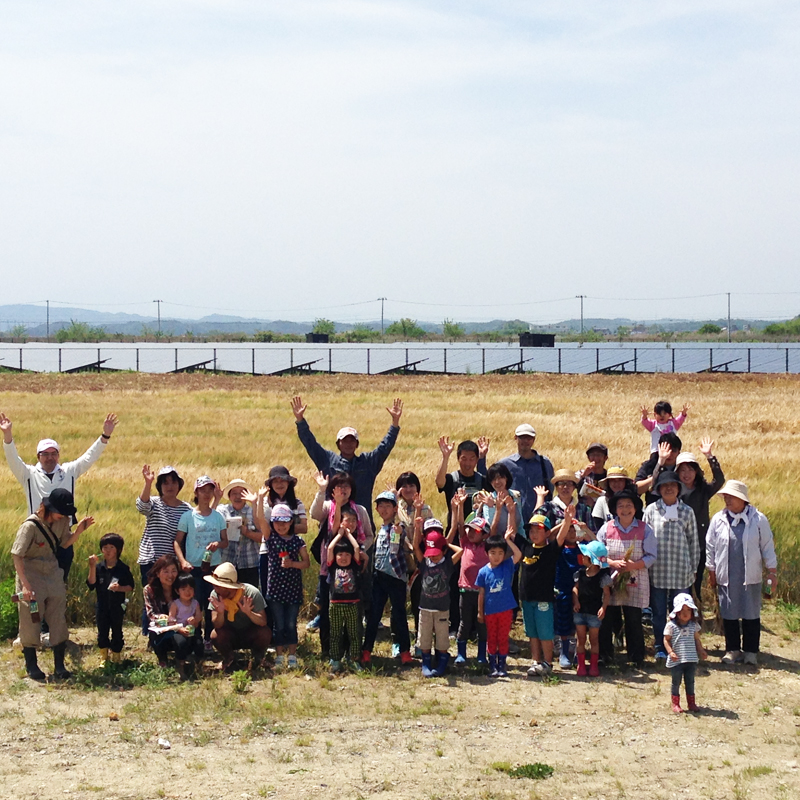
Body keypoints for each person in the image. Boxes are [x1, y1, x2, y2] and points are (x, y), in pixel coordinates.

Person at [1, 411, 117, 583]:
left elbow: (88, 458)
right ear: (38, 456)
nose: (50, 458)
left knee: (59, 586)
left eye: (53, 453)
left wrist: (105, 436)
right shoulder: (28, 474)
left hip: (65, 537)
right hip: (36, 536)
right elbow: (13, 460)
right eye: (45, 454)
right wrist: (7, 435)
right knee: (35, 584)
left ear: (58, 455)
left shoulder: (68, 471)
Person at [12, 488, 94, 680]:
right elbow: (17, 555)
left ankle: (59, 666)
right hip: (30, 573)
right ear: (48, 508)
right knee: (31, 617)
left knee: (58, 617)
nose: (63, 516)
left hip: (52, 571)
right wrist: (25, 585)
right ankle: (32, 665)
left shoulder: (63, 520)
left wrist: (79, 531)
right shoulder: (30, 526)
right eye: (61, 512)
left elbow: (64, 543)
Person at [291, 395, 403, 526]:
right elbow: (310, 444)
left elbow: (385, 447)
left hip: (361, 524)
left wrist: (395, 424)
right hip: (332, 525)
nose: (348, 444)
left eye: (352, 441)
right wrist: (300, 420)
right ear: (338, 444)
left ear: (357, 444)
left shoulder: (368, 463)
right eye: (344, 441)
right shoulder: (328, 461)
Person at [706, 480, 777, 666]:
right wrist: (711, 570)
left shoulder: (758, 519)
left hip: (750, 574)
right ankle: (733, 649)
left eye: (731, 497)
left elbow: (767, 546)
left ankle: (751, 651)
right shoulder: (718, 519)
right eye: (726, 497)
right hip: (726, 574)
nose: (727, 500)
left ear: (742, 499)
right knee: (729, 613)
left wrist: (772, 571)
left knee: (750, 613)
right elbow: (710, 546)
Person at [535, 468, 597, 668]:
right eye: (561, 484)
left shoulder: (584, 510)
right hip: (555, 560)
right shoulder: (549, 508)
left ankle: (573, 646)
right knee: (559, 600)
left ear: (574, 488)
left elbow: (594, 538)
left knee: (578, 603)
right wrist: (563, 526)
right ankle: (557, 645)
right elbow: (537, 529)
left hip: (580, 559)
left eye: (569, 484)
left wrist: (581, 531)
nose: (565, 487)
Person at [309, 471, 371, 656]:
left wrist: (359, 549)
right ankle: (329, 650)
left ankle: (350, 650)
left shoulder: (360, 510)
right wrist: (321, 491)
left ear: (352, 489)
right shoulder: (328, 506)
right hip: (328, 568)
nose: (343, 490)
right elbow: (314, 513)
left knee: (352, 610)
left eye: (347, 486)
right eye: (339, 486)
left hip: (353, 570)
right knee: (328, 610)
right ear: (332, 489)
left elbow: (369, 535)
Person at [597, 488, 657, 667]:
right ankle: (605, 654)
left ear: (635, 508)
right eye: (620, 506)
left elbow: (651, 555)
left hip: (636, 578)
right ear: (615, 509)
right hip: (610, 580)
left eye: (629, 506)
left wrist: (632, 566)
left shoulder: (645, 529)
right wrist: (612, 563)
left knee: (633, 618)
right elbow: (597, 554)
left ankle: (636, 656)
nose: (625, 509)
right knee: (606, 618)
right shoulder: (606, 528)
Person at [644, 470, 699, 661]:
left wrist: (693, 568)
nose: (669, 489)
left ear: (678, 489)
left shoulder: (687, 511)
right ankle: (661, 645)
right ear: (659, 489)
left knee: (681, 611)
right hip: (657, 570)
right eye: (665, 486)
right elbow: (645, 538)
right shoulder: (651, 510)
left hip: (681, 570)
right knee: (658, 611)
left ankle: (680, 646)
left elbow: (693, 541)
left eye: (672, 486)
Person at [436, 436, 489, 633]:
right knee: (453, 579)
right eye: (464, 458)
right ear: (458, 458)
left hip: (477, 538)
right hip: (455, 537)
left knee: (476, 579)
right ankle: (455, 623)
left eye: (472, 458)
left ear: (477, 459)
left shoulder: (482, 480)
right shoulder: (452, 479)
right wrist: (445, 457)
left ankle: (475, 624)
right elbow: (439, 483)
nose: (467, 463)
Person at [174, 476, 229, 654]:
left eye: (209, 490)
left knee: (211, 602)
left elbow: (225, 541)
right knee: (194, 603)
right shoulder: (187, 516)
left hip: (213, 567)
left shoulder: (218, 517)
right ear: (196, 492)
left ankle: (208, 639)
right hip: (194, 567)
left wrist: (217, 545)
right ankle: (194, 638)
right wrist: (183, 561)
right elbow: (177, 541)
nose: (206, 494)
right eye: (203, 490)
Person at [255, 497, 309, 669]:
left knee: (291, 623)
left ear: (291, 521)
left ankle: (292, 656)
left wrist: (293, 564)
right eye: (277, 521)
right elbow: (260, 520)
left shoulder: (298, 541)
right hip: (275, 589)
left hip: (293, 589)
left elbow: (306, 563)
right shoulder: (270, 538)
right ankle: (279, 656)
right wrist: (259, 500)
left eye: (284, 521)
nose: (281, 525)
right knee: (278, 624)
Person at [136, 465, 191, 634]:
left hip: (172, 564)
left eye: (173, 482)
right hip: (151, 560)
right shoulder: (153, 503)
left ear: (179, 485)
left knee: (171, 598)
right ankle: (150, 633)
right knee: (151, 598)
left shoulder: (186, 509)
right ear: (159, 486)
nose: (169, 486)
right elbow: (141, 506)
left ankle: (171, 631)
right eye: (165, 483)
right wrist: (147, 483)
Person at [518, 510, 572, 677]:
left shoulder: (551, 550)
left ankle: (547, 663)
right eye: (532, 531)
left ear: (547, 533)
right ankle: (536, 661)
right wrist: (511, 510)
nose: (534, 534)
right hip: (526, 598)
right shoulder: (526, 547)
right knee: (532, 633)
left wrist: (567, 520)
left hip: (543, 599)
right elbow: (514, 528)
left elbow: (561, 537)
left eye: (538, 531)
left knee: (545, 633)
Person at [362, 492, 413, 666]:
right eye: (381, 506)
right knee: (374, 615)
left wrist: (400, 531)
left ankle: (405, 651)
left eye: (388, 506)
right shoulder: (380, 531)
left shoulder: (397, 528)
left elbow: (402, 534)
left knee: (399, 615)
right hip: (379, 577)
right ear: (376, 509)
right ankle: (366, 649)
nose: (384, 509)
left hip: (396, 577)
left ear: (394, 509)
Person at [412, 518, 463, 678]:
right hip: (425, 608)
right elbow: (415, 546)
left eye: (436, 554)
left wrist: (445, 544)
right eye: (430, 553)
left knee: (442, 638)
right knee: (425, 638)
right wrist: (417, 528)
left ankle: (442, 660)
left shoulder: (447, 564)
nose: (433, 557)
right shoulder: (424, 563)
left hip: (442, 609)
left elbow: (460, 551)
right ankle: (426, 661)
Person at [675, 439, 725, 600]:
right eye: (682, 470)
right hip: (679, 543)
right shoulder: (672, 491)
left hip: (700, 542)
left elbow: (719, 480)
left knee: (696, 579)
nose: (686, 474)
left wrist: (709, 456)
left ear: (696, 471)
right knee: (678, 581)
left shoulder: (703, 490)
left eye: (690, 469)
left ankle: (695, 610)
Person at [206, 562, 271, 672]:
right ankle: (229, 658)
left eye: (218, 586)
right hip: (230, 634)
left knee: (265, 633)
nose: (214, 588)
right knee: (215, 635)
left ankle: (258, 658)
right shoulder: (215, 595)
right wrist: (220, 613)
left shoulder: (251, 592)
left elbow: (263, 621)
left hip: (250, 633)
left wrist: (249, 613)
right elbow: (217, 624)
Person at [476, 529, 522, 678]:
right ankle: (492, 666)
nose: (497, 557)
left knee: (503, 638)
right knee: (492, 638)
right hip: (490, 611)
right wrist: (480, 612)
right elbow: (481, 594)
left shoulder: (507, 565)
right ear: (486, 553)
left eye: (500, 553)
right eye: (493, 553)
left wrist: (508, 540)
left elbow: (519, 555)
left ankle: (502, 666)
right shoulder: (483, 572)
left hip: (505, 610)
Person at [87, 533, 134, 666]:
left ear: (118, 550)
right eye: (105, 547)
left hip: (117, 606)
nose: (107, 551)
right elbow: (91, 584)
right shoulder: (98, 567)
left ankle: (117, 655)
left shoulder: (123, 568)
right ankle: (104, 657)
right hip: (101, 605)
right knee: (102, 630)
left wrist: (119, 588)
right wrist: (91, 566)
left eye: (111, 547)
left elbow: (130, 587)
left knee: (117, 630)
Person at [144, 554, 199, 669]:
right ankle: (163, 659)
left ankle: (188, 657)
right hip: (163, 627)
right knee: (155, 633)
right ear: (158, 573)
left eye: (174, 571)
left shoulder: (182, 586)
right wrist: (162, 618)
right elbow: (150, 614)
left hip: (184, 626)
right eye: (166, 571)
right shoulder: (149, 589)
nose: (170, 575)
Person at [454, 499, 490, 668]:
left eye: (476, 531)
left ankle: (482, 655)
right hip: (465, 591)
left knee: (482, 624)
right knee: (464, 622)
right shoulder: (465, 543)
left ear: (484, 534)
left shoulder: (487, 548)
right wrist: (460, 506)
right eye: (470, 529)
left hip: (483, 592)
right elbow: (461, 525)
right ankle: (461, 654)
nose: (471, 533)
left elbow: (495, 529)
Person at [326, 512, 364, 672]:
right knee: (335, 633)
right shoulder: (332, 566)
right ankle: (335, 659)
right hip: (335, 604)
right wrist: (339, 534)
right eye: (340, 554)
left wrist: (347, 534)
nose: (343, 557)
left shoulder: (354, 566)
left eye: (347, 555)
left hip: (352, 604)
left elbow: (356, 547)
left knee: (354, 633)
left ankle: (354, 659)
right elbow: (330, 548)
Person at [498, 423, 555, 523]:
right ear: (515, 438)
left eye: (529, 438)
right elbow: (491, 483)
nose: (525, 441)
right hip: (513, 518)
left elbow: (551, 488)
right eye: (522, 437)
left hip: (539, 518)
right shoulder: (505, 464)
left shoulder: (544, 463)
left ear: (533, 439)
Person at [572, 540, 612, 677]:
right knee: (580, 639)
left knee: (594, 639)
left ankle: (594, 665)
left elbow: (607, 594)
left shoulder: (603, 577)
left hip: (594, 613)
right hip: (580, 611)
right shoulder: (580, 573)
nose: (582, 558)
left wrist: (603, 607)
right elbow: (575, 589)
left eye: (585, 555)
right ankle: (581, 665)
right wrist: (575, 601)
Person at [664, 592, 706, 712]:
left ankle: (691, 703)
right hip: (677, 660)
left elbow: (696, 639)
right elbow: (666, 640)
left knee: (690, 681)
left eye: (689, 609)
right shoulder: (671, 626)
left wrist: (701, 650)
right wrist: (670, 652)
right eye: (682, 609)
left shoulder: (694, 625)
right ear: (676, 611)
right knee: (676, 682)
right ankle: (675, 704)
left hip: (690, 659)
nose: (685, 613)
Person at [215, 479, 262, 588]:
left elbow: (263, 537)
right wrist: (217, 499)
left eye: (241, 493)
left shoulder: (253, 511)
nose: (238, 497)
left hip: (250, 563)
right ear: (229, 496)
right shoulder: (222, 511)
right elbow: (209, 521)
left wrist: (247, 533)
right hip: (227, 563)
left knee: (248, 596)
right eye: (234, 493)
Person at [167, 574, 203, 680]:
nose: (188, 592)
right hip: (178, 631)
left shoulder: (195, 603)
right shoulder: (175, 604)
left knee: (199, 644)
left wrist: (195, 620)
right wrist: (180, 629)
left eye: (190, 589)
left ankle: (198, 666)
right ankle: (181, 667)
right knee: (181, 643)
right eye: (184, 589)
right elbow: (171, 620)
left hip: (191, 630)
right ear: (177, 591)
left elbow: (199, 616)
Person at [477, 462, 524, 536]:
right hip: (498, 543)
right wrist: (494, 506)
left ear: (506, 478)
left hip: (516, 542)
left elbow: (520, 524)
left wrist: (524, 543)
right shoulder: (488, 500)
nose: (497, 482)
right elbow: (491, 530)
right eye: (493, 479)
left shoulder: (516, 495)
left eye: (500, 478)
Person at [636, 433, 682, 505]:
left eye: (674, 450)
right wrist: (656, 475)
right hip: (654, 510)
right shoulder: (650, 465)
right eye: (666, 449)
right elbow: (637, 489)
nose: (669, 453)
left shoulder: (683, 467)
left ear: (679, 452)